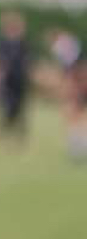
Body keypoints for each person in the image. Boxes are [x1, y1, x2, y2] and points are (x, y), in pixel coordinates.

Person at [0, 11, 30, 145]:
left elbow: (27, 60)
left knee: (19, 108)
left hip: (19, 80)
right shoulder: (1, 42)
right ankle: (0, 132)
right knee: (5, 108)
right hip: (7, 81)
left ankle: (18, 136)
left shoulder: (22, 42)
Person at [47, 28, 87, 161]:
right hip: (76, 82)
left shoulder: (62, 47)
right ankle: (77, 146)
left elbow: (70, 68)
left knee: (74, 115)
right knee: (74, 115)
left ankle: (78, 146)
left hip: (77, 84)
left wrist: (68, 84)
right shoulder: (71, 45)